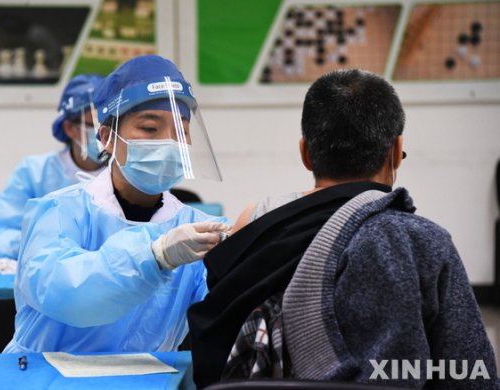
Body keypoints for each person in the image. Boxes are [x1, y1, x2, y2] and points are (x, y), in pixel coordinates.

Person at [187, 69, 499, 389]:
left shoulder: (253, 223)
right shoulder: (423, 241)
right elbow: (473, 373)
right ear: (396, 151)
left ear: (306, 153)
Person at [3, 55, 229, 353]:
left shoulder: (190, 229)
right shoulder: (58, 213)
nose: (170, 142)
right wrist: (155, 256)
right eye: (150, 128)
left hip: (146, 381)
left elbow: (222, 313)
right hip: (45, 380)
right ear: (108, 138)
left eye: (182, 131)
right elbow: (68, 295)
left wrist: (249, 249)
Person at [0, 74, 106, 260]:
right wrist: (48, 243)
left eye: (110, 122)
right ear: (69, 128)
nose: (104, 132)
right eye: (94, 124)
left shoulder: (128, 173)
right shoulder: (34, 173)